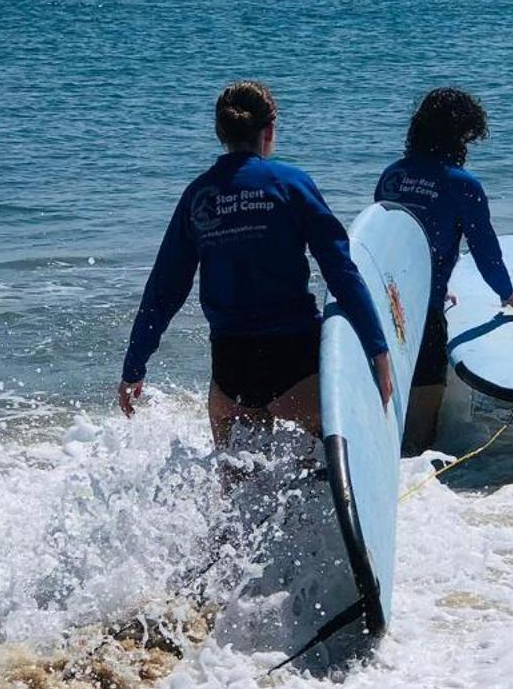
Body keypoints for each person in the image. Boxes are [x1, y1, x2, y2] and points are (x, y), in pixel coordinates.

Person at [119, 81, 393, 445]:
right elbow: (340, 269)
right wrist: (378, 349)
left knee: (237, 491)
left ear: (221, 133)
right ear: (269, 130)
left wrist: (134, 368)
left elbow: (164, 291)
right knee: (319, 475)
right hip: (295, 360)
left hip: (231, 366)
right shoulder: (290, 184)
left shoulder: (198, 196)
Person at [375, 88, 513, 453]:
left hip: (382, 308)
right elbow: (485, 250)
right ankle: (419, 480)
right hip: (424, 315)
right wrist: (508, 294)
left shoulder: (392, 176)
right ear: (458, 136)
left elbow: (386, 244)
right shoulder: (462, 185)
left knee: (386, 408)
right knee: (422, 423)